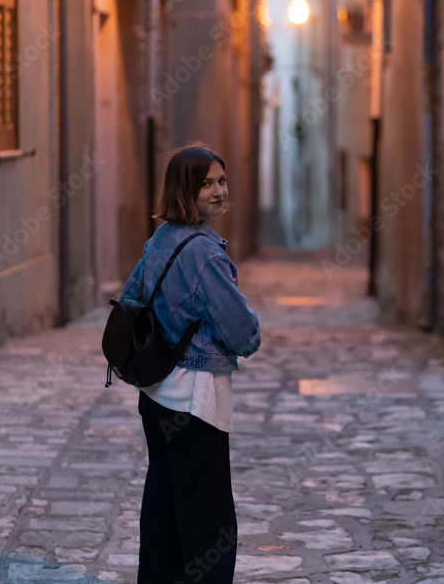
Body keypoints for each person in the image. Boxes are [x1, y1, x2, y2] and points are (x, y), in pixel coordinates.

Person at [117, 144, 261, 584]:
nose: (219, 191)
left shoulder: (159, 240)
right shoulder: (206, 254)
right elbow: (243, 334)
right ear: (186, 190)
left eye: (221, 181)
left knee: (163, 505)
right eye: (207, 184)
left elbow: (130, 300)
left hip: (156, 392)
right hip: (195, 398)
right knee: (208, 519)